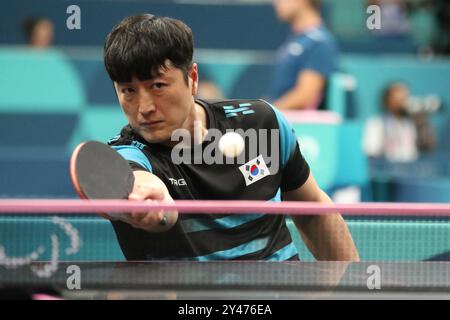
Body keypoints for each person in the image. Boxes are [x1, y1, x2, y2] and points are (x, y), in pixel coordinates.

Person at [103, 14, 359, 261]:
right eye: (128, 91)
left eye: (157, 86)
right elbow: (137, 179)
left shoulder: (261, 122)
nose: (144, 106)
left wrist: (352, 288)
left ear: (192, 79)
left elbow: (313, 211)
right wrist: (147, 196)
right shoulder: (125, 153)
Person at [267, 0, 339, 110]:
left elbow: (304, 97)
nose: (276, 2)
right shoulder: (295, 39)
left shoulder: (319, 42)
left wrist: (266, 113)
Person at [363, 82, 436, 162]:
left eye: (404, 98)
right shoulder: (376, 123)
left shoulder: (413, 122)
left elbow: (428, 147)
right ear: (387, 101)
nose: (402, 103)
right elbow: (371, 152)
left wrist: (422, 123)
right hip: (389, 169)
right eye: (398, 99)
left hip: (412, 169)